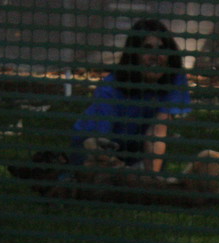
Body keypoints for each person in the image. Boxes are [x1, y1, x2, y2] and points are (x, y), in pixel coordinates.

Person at [68, 18, 190, 174]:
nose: (155, 55)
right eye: (147, 48)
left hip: (136, 151)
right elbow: (98, 141)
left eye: (161, 48)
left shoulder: (174, 79)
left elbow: (156, 130)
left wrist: (151, 183)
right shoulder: (111, 88)